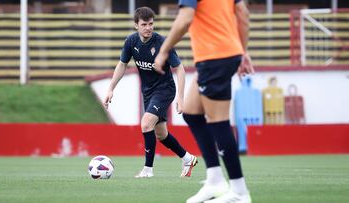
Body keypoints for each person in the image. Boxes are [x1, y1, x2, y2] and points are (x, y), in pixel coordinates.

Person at [154, 0, 254, 202]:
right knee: (191, 112)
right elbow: (242, 14)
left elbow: (185, 18)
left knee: (219, 122)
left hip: (214, 56)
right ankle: (215, 179)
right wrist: (242, 51)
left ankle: (239, 192)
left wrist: (164, 50)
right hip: (224, 53)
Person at [103, 7, 197, 178]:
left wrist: (180, 98)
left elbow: (180, 68)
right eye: (144, 24)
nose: (148, 28)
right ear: (136, 25)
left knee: (146, 124)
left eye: (151, 24)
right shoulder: (131, 42)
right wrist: (110, 88)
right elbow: (122, 64)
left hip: (165, 89)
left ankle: (147, 170)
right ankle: (188, 158)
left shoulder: (162, 42)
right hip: (148, 92)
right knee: (161, 134)